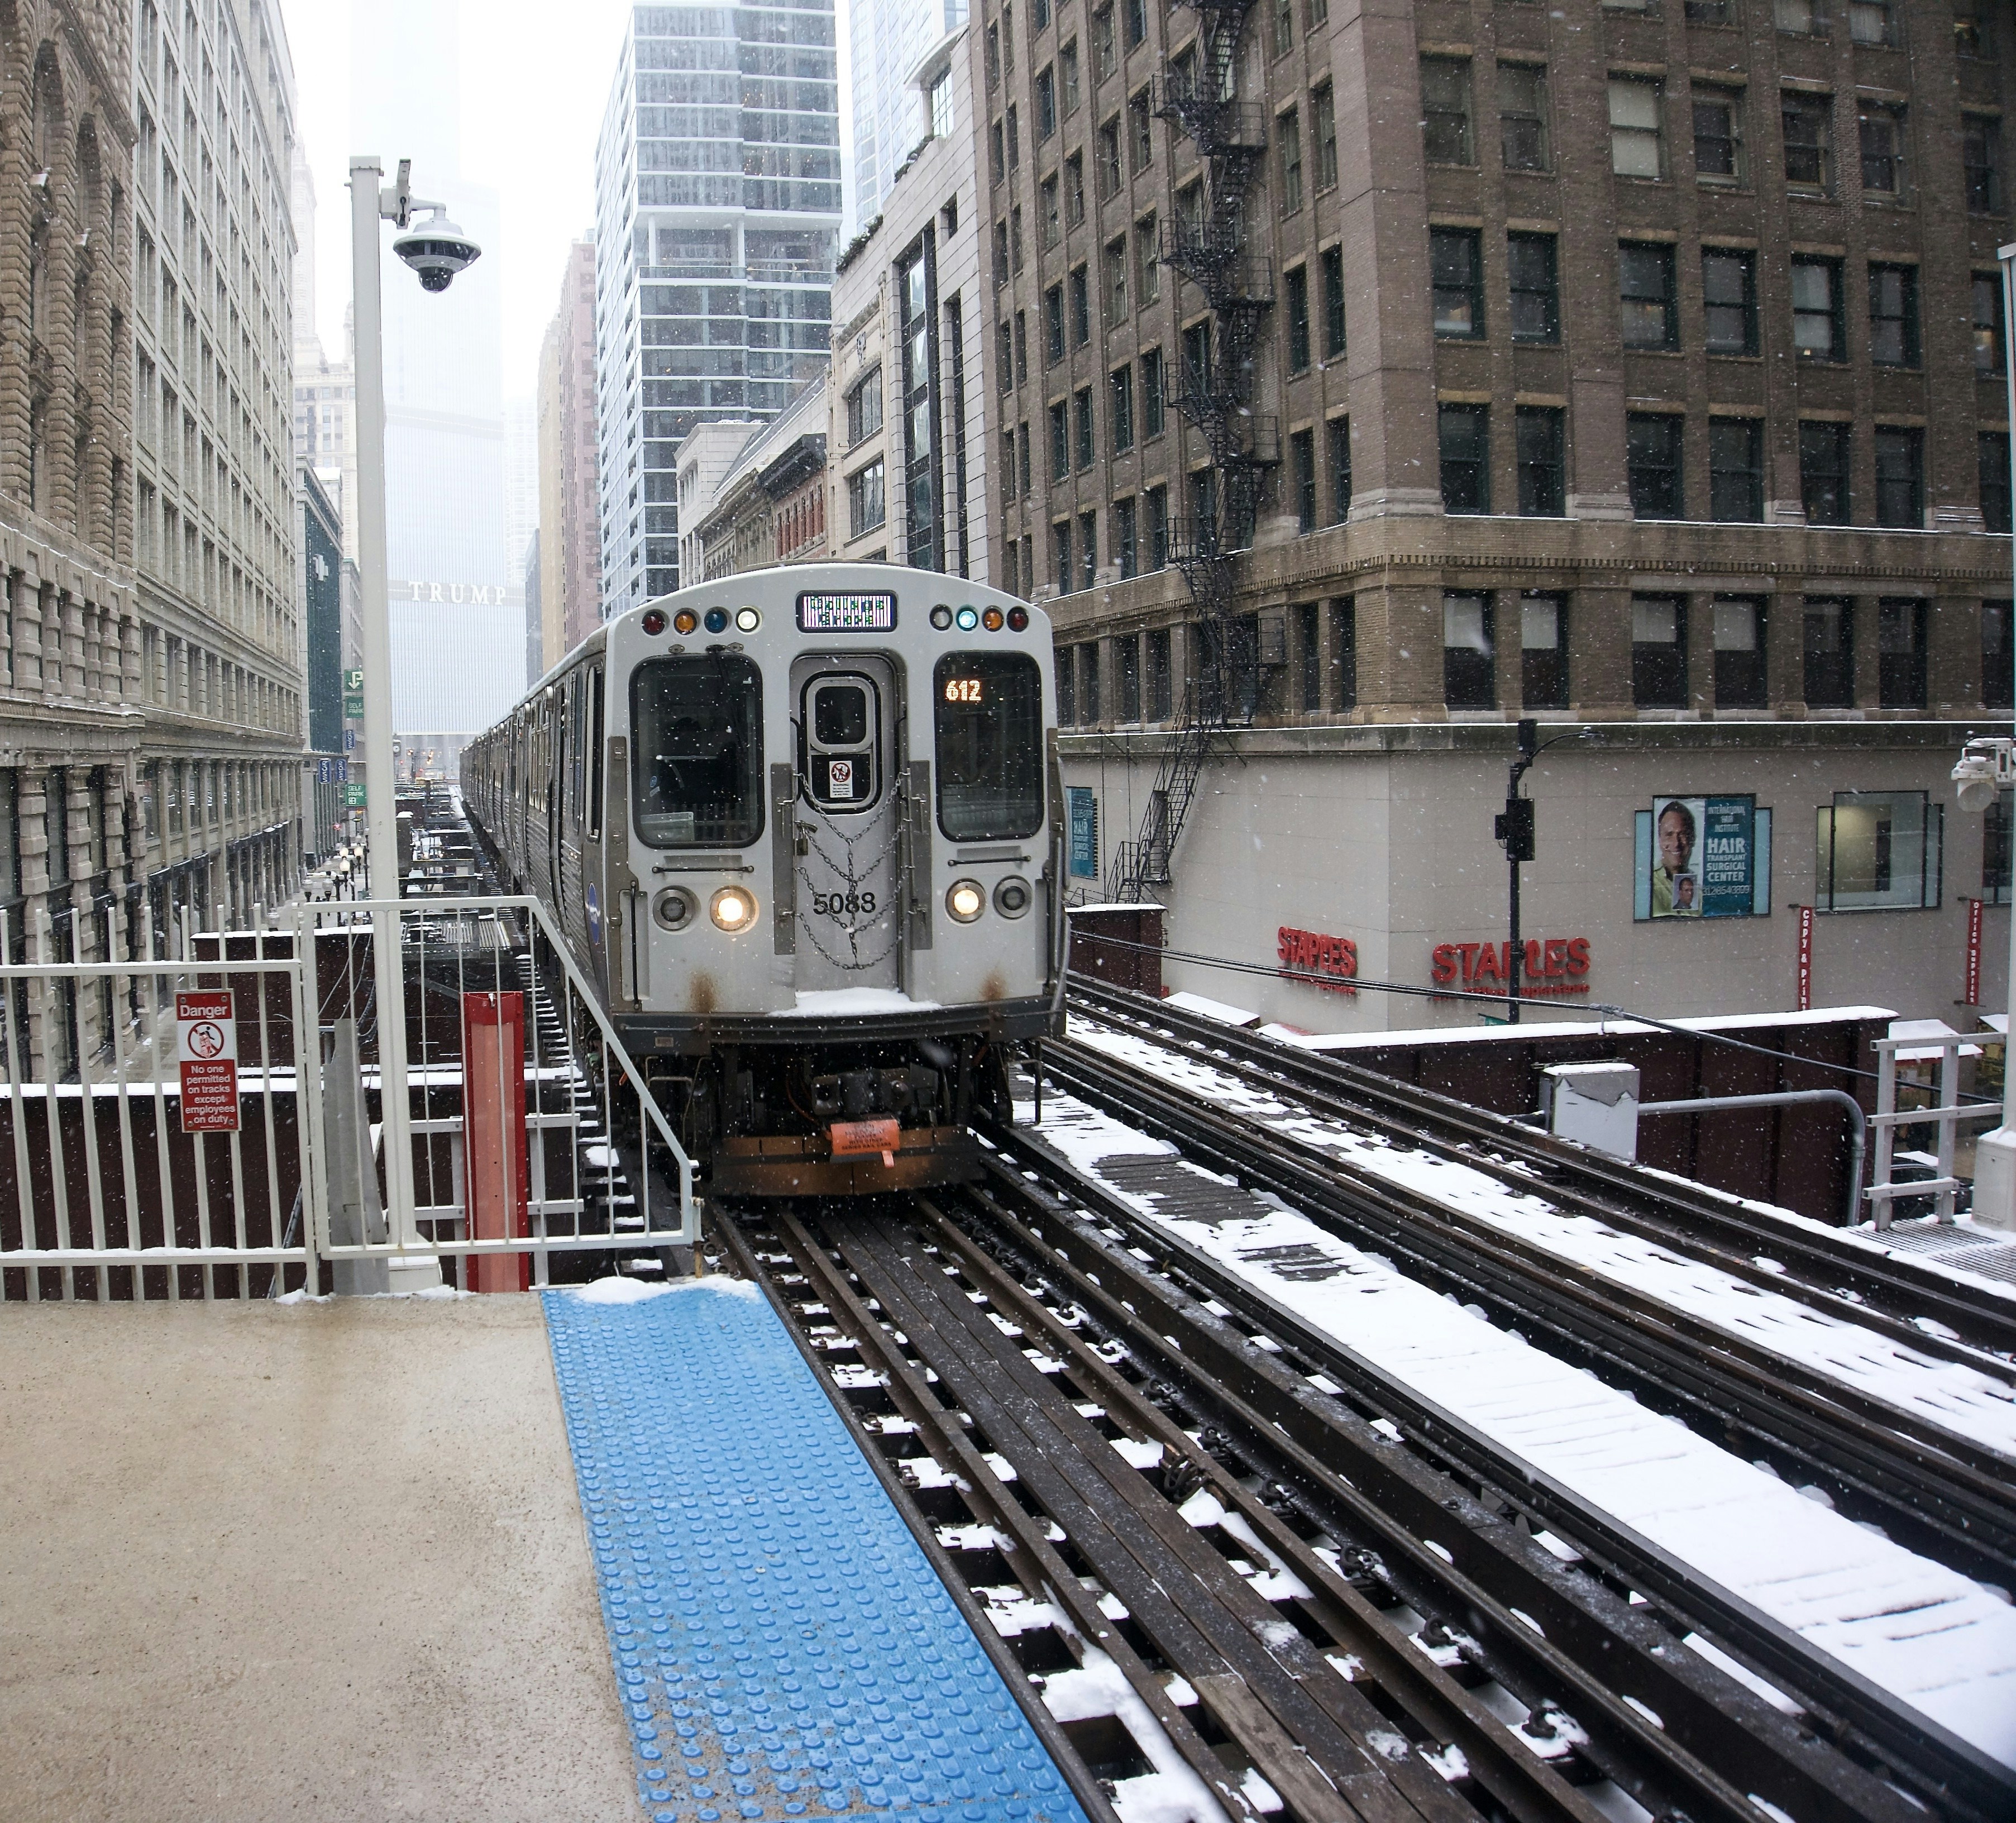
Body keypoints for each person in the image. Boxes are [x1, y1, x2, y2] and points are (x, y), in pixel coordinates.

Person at [1652, 799, 1700, 917]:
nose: (1676, 843)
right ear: (1660, 840)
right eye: (1669, 835)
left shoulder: (1703, 889)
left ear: (1692, 838)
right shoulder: (1649, 884)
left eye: (1682, 834)